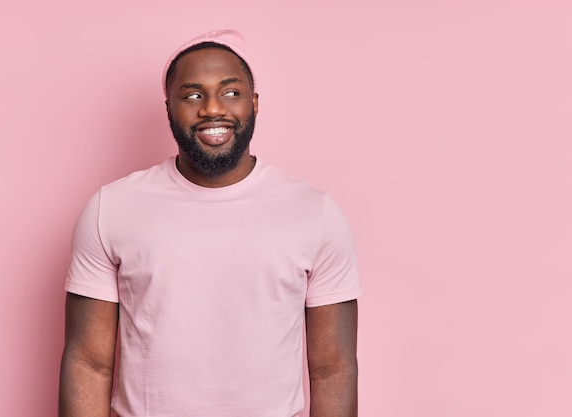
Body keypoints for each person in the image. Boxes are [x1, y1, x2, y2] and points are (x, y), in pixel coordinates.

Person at [59, 29, 362, 417]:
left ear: (254, 103)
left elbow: (333, 368)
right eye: (193, 95)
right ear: (169, 108)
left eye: (231, 92)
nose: (213, 109)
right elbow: (88, 362)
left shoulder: (314, 213)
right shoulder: (111, 208)